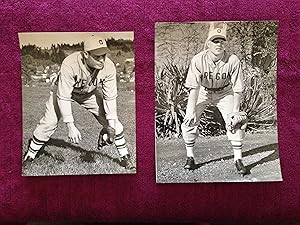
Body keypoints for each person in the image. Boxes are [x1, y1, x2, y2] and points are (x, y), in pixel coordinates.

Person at [24, 34, 132, 169]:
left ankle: (125, 157)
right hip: (62, 91)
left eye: (103, 55)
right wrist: (70, 126)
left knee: (115, 123)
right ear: (86, 54)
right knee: (49, 122)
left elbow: (110, 97)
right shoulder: (70, 64)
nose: (102, 60)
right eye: (97, 56)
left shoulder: (109, 67)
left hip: (88, 93)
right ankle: (30, 155)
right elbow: (63, 96)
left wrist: (109, 126)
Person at [181, 25, 247, 175]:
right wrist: (191, 111)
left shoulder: (232, 60)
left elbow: (238, 88)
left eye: (221, 41)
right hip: (202, 91)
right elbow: (194, 88)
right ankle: (190, 157)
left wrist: (235, 112)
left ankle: (238, 159)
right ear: (208, 44)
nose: (218, 44)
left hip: (225, 92)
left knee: (235, 121)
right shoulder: (198, 59)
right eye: (215, 41)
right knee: (188, 121)